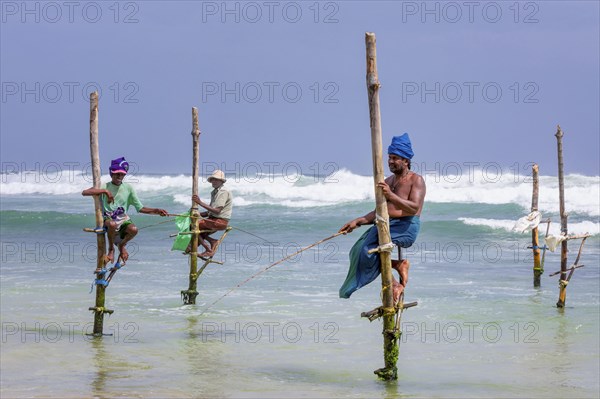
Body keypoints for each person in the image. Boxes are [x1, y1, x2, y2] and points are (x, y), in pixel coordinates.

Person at [338, 133, 425, 303]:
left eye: (395, 158)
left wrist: (390, 195)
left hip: (406, 227)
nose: (391, 161)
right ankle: (397, 264)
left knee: (367, 250)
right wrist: (358, 222)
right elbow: (380, 211)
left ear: (406, 160)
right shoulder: (388, 180)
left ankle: (395, 284)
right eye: (389, 157)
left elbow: (413, 208)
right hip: (388, 224)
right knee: (357, 250)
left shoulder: (416, 180)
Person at [82, 157, 168, 270]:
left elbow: (140, 208)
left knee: (134, 229)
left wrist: (156, 211)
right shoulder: (105, 186)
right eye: (117, 174)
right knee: (112, 224)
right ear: (111, 173)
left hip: (122, 217)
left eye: (122, 174)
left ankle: (122, 245)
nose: (119, 176)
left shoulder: (128, 188)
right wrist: (105, 191)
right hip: (108, 217)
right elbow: (85, 192)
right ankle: (111, 249)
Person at [190, 169, 233, 258]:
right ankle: (208, 243)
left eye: (216, 179)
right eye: (212, 179)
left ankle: (208, 248)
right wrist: (195, 214)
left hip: (219, 221)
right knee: (200, 233)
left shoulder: (223, 191)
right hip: (213, 220)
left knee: (193, 226)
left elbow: (217, 211)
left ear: (222, 181)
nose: (214, 181)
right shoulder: (215, 192)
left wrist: (200, 202)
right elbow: (210, 212)